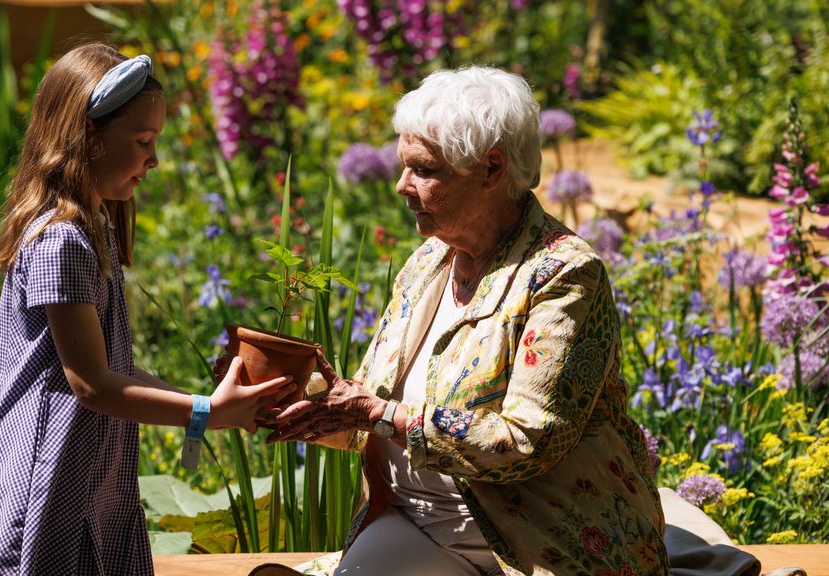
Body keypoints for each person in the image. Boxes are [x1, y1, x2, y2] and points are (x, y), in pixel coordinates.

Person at [269, 66, 670, 576]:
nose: (401, 186)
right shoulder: (428, 262)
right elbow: (367, 411)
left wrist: (381, 415)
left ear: (492, 169)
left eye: (424, 170)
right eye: (403, 166)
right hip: (415, 522)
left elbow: (528, 443)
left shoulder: (563, 274)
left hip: (532, 543)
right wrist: (293, 398)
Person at [0, 43, 295, 575]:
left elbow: (115, 369)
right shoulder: (60, 241)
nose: (154, 160)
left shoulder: (96, 230)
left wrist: (208, 404)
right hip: (45, 483)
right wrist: (204, 412)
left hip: (92, 479)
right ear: (87, 137)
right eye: (141, 141)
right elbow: (89, 383)